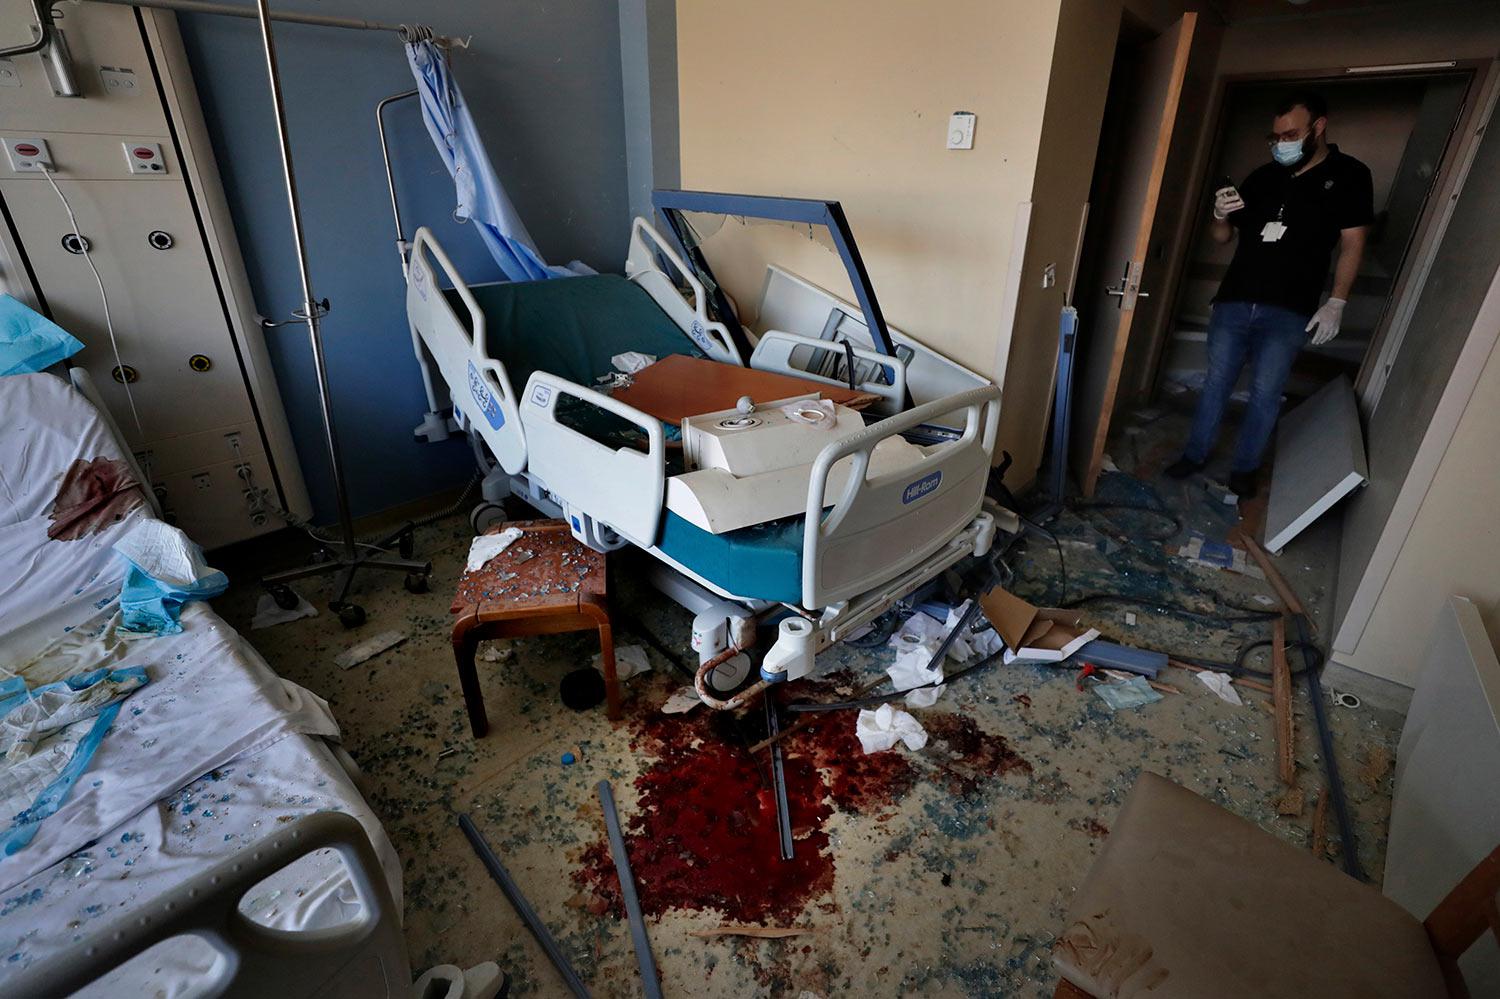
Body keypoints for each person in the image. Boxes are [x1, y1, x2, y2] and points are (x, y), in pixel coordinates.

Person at [1166, 90, 1373, 498]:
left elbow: (1353, 243)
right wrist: (1219, 214)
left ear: (1319, 126)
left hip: (1289, 309)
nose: (1282, 144)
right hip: (1234, 299)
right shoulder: (1262, 177)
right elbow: (1223, 238)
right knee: (1216, 383)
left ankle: (1245, 467)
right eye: (1276, 137)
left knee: (1264, 392)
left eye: (1291, 134)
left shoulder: (1349, 174)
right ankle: (1195, 453)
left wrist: (1337, 302)